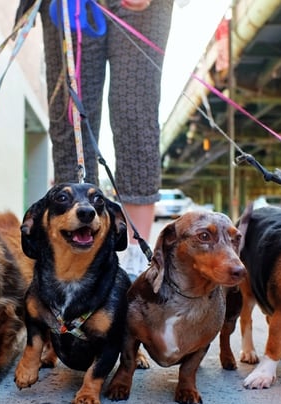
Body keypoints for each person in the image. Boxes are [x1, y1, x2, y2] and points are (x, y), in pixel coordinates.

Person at [16, 0, 174, 279]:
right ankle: (73, 259)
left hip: (143, 9)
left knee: (135, 112)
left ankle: (135, 260)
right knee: (70, 116)